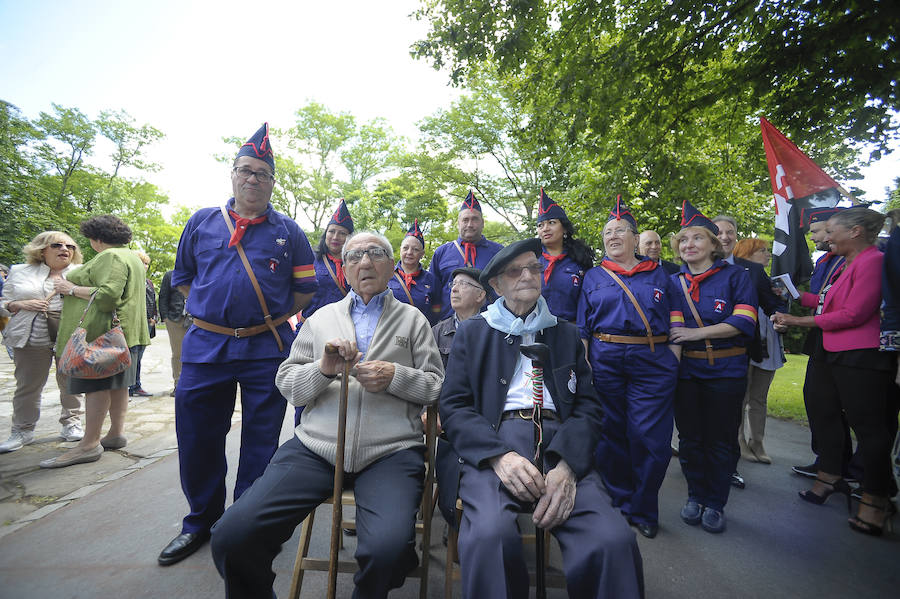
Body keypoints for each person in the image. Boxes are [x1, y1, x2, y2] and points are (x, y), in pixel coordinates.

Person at [210, 231, 444, 598]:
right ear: (344, 269)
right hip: (315, 448)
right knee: (232, 535)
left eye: (375, 254)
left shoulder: (413, 320)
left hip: (392, 452)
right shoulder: (320, 319)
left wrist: (396, 376)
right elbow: (288, 384)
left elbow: (435, 386)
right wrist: (323, 368)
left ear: (390, 265)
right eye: (355, 257)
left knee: (387, 550)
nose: (365, 262)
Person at [438, 238, 644, 598]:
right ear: (497, 285)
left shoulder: (564, 333)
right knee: (491, 536)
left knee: (612, 539)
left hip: (560, 444)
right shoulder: (474, 332)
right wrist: (498, 456)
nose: (528, 275)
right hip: (494, 443)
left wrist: (567, 467)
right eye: (515, 271)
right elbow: (454, 406)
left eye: (534, 267)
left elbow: (589, 407)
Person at [159, 124, 318, 566]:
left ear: (271, 182)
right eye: (245, 170)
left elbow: (305, 289)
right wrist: (212, 315)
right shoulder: (202, 222)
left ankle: (246, 525)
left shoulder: (290, 231)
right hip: (205, 349)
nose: (253, 179)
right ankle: (200, 523)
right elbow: (183, 278)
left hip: (265, 347)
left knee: (262, 441)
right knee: (196, 438)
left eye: (262, 173)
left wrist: (266, 319)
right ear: (232, 175)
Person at [773, 207, 899, 536]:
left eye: (830, 230)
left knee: (869, 427)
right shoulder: (842, 264)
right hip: (829, 352)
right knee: (822, 410)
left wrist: (797, 320)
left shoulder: (872, 261)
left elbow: (855, 313)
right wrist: (796, 296)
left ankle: (876, 496)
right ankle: (830, 474)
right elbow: (827, 301)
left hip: (861, 356)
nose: (825, 237)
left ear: (855, 231)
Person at [577, 196, 682, 539]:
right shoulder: (593, 276)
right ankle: (620, 502)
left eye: (620, 230)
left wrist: (673, 362)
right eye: (608, 231)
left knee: (651, 439)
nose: (613, 236)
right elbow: (584, 329)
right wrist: (587, 364)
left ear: (636, 239)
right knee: (611, 435)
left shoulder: (662, 275)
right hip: (606, 361)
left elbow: (676, 322)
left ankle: (644, 508)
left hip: (652, 363)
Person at [669, 201, 758, 533]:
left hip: (726, 371)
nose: (689, 245)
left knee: (720, 441)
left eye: (697, 238)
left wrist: (698, 333)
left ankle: (716, 502)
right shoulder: (673, 282)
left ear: (713, 244)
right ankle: (695, 496)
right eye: (683, 240)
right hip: (688, 373)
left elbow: (744, 320)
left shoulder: (737, 276)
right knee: (691, 440)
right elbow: (675, 329)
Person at [42, 215, 151, 468]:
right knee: (118, 385)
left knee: (96, 387)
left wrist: (68, 288)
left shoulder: (110, 256)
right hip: (126, 334)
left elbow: (107, 296)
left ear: (96, 239)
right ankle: (115, 434)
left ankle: (89, 444)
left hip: (102, 336)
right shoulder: (132, 257)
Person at [713, 214, 786, 489]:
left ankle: (728, 466)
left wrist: (782, 317)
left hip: (738, 353)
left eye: (730, 231)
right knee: (699, 412)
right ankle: (697, 462)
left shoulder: (752, 272)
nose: (724, 236)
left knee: (732, 409)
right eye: (718, 231)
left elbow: (772, 305)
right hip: (697, 354)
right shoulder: (690, 266)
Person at [0, 232, 84, 453]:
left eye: (70, 246)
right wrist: (19, 304)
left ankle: (71, 423)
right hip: (30, 337)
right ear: (41, 249)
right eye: (57, 245)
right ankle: (22, 430)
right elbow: (2, 303)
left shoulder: (81, 272)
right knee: (28, 385)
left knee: (71, 383)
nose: (64, 249)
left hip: (68, 335)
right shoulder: (19, 271)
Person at [791, 207, 857, 479]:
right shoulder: (825, 261)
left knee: (845, 408)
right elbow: (821, 298)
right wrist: (794, 295)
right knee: (819, 402)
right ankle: (830, 463)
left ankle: (849, 470)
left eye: (820, 231)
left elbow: (846, 309)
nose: (818, 237)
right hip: (822, 336)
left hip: (845, 341)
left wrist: (796, 320)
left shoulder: (854, 261)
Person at [733, 238, 785, 464]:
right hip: (746, 343)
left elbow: (776, 308)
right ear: (747, 254)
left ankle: (758, 440)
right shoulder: (735, 275)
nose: (767, 255)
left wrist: (781, 300)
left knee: (759, 397)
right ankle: (739, 440)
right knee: (740, 397)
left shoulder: (768, 280)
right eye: (762, 251)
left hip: (769, 343)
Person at [429, 190, 503, 321]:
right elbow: (434, 293)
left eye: (475, 219)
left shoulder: (498, 252)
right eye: (465, 220)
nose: (469, 224)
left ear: (482, 222)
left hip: (491, 325)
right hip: (449, 327)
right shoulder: (441, 253)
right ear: (458, 223)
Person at [535, 188, 594, 321]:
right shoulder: (531, 259)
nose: (545, 229)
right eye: (540, 225)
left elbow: (587, 302)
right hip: (534, 331)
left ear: (565, 228)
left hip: (571, 330)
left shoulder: (580, 260)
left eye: (551, 223)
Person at [299, 198, 353, 323]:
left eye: (342, 233)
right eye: (332, 231)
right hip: (310, 325)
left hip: (343, 328)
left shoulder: (356, 264)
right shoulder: (310, 258)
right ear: (325, 234)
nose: (335, 237)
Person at [388, 219, 442, 325]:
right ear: (400, 250)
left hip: (421, 335)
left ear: (422, 254)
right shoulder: (387, 275)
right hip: (390, 332)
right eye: (405, 248)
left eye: (415, 249)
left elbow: (436, 312)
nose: (409, 252)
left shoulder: (432, 281)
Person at [432, 267, 486, 370]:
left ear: (480, 295)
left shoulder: (493, 330)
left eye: (462, 284)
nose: (454, 289)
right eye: (453, 284)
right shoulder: (437, 332)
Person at [157, 269, 192, 396]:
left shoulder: (200, 271)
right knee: (178, 352)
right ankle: (178, 384)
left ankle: (194, 383)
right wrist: (165, 317)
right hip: (175, 319)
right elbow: (163, 297)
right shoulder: (170, 275)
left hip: (197, 319)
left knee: (198, 352)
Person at [128, 251, 157, 397]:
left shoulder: (148, 282)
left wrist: (154, 317)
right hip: (132, 322)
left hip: (146, 323)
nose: (144, 266)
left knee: (139, 355)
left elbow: (152, 300)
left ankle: (135, 385)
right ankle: (129, 386)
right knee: (131, 355)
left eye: (146, 263)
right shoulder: (129, 279)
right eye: (142, 262)